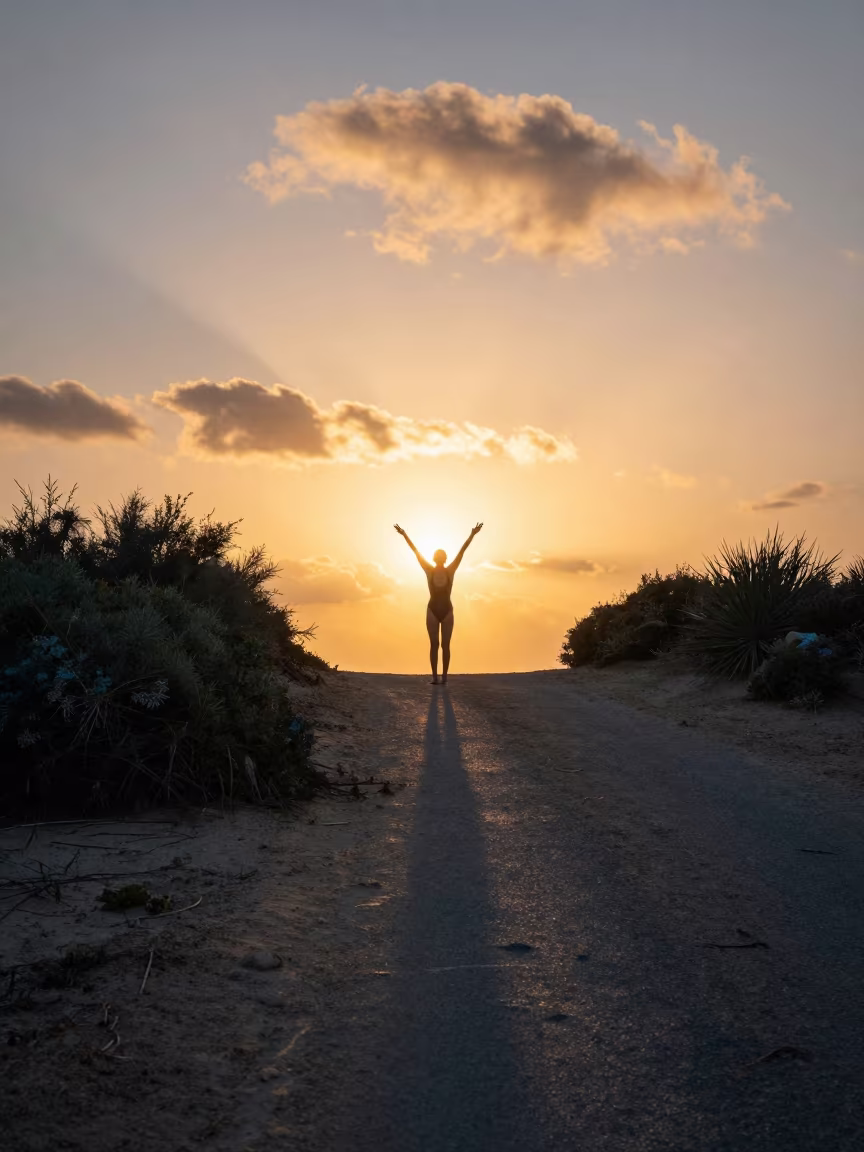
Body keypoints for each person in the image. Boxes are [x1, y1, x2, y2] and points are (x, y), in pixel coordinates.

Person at [394, 522, 483, 685]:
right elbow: (416, 552)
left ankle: (444, 677)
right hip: (432, 610)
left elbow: (462, 551)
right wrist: (405, 535)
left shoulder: (450, 570)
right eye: (439, 556)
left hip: (447, 610)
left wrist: (472, 535)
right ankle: (436, 677)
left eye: (442, 556)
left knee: (445, 645)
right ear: (436, 558)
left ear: (445, 559)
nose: (441, 558)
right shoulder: (429, 570)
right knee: (434, 644)